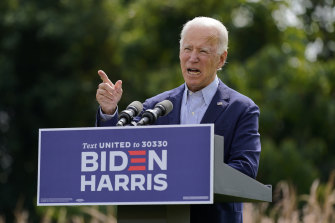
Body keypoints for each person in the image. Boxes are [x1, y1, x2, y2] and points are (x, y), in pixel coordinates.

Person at [96, 16, 261, 223]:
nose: (193, 58)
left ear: (221, 59)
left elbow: (245, 169)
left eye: (203, 51)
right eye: (187, 49)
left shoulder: (241, 109)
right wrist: (109, 111)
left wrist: (186, 177)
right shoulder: (155, 107)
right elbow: (117, 153)